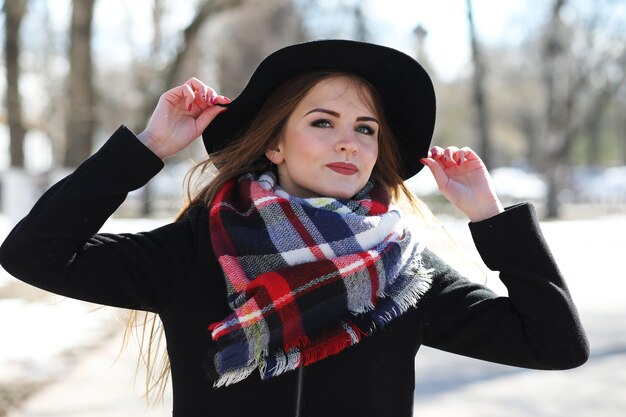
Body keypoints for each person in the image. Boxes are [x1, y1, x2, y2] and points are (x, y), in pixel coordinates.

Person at [0, 40, 588, 417]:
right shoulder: (196, 250)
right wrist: (149, 147)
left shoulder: (401, 271)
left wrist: (492, 218)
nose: (347, 141)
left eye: (366, 129)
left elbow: (555, 343)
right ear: (276, 143)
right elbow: (35, 252)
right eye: (323, 121)